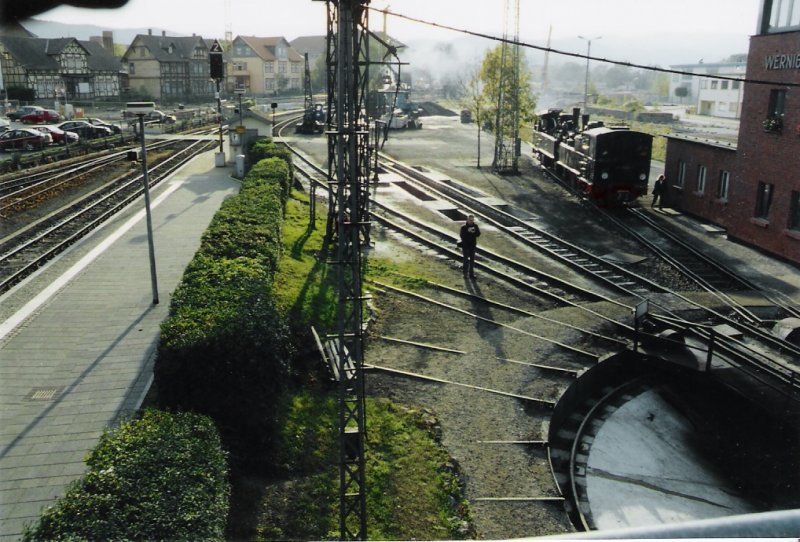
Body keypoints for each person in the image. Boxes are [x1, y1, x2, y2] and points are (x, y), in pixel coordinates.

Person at [457, 215, 481, 279]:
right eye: (470, 220)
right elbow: (462, 236)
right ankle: (465, 274)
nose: (471, 221)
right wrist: (468, 232)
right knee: (465, 260)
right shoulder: (463, 227)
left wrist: (474, 232)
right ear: (467, 220)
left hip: (472, 246)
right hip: (466, 246)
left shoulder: (475, 226)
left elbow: (478, 234)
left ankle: (471, 274)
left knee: (472, 261)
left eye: (472, 220)